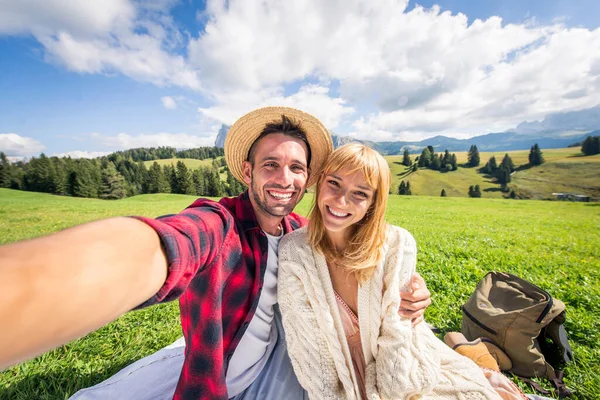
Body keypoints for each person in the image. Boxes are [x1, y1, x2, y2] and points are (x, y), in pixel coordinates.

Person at [0, 107, 432, 400]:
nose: (284, 179)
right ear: (247, 171)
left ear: (307, 180)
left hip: (284, 364)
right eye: (270, 165)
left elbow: (358, 271)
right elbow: (170, 244)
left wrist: (408, 290)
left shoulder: (301, 234)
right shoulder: (219, 224)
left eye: (297, 167)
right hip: (216, 372)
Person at [278, 143, 502, 399]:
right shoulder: (294, 251)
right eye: (334, 183)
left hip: (403, 372)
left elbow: (397, 335)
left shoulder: (397, 244)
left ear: (374, 202)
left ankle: (476, 365)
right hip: (340, 377)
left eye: (360, 193)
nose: (341, 200)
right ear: (319, 183)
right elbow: (311, 351)